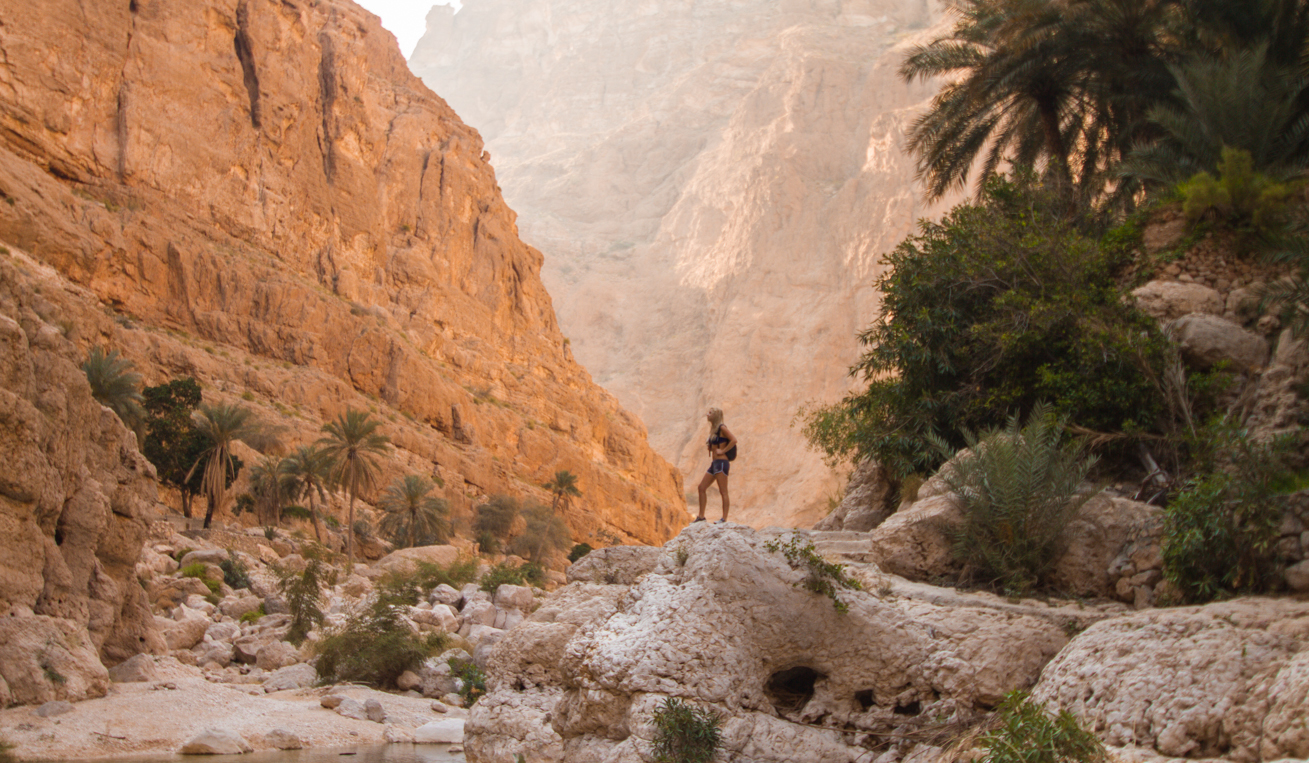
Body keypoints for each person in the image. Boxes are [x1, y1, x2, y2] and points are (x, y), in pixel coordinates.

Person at [694, 407, 737, 524]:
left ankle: (724, 519)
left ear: (716, 415)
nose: (707, 414)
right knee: (701, 487)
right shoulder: (713, 430)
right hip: (714, 463)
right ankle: (701, 516)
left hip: (722, 463)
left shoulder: (722, 427)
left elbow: (733, 440)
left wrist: (722, 451)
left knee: (723, 491)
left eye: (710, 413)